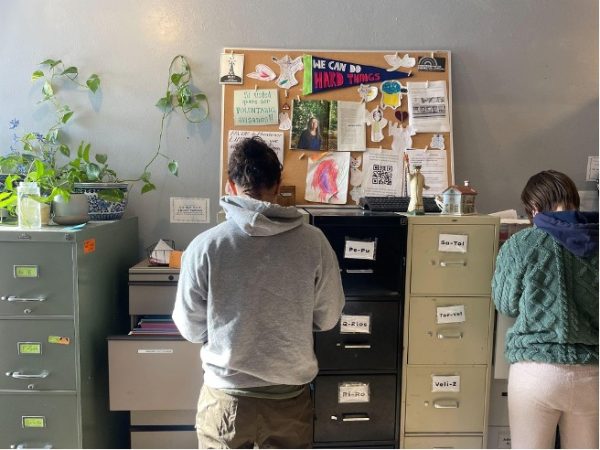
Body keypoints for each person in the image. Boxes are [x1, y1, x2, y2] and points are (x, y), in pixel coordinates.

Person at [173, 136, 345, 449]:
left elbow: (190, 328)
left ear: (230, 185)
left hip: (225, 400)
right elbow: (329, 316)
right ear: (278, 186)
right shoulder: (314, 243)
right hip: (289, 401)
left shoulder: (206, 246)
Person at [492, 169, 598, 449]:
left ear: (535, 209)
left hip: (535, 372)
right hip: (591, 373)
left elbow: (505, 303)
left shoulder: (522, 244)